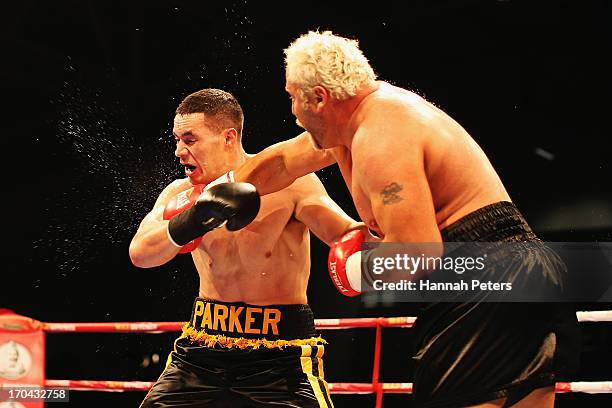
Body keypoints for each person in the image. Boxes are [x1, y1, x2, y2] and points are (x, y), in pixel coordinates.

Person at [231, 31, 580, 407]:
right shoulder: (360, 122)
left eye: (292, 97)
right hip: (519, 268)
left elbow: (417, 253)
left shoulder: (379, 137)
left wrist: (357, 268)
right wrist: (226, 190)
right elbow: (284, 162)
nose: (292, 111)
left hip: (485, 275)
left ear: (319, 97)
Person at [130, 88, 365, 407]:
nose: (179, 151)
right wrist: (195, 218)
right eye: (177, 140)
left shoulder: (290, 184)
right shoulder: (181, 192)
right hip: (201, 349)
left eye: (190, 139)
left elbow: (344, 232)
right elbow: (140, 253)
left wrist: (364, 247)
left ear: (228, 137)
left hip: (282, 355)